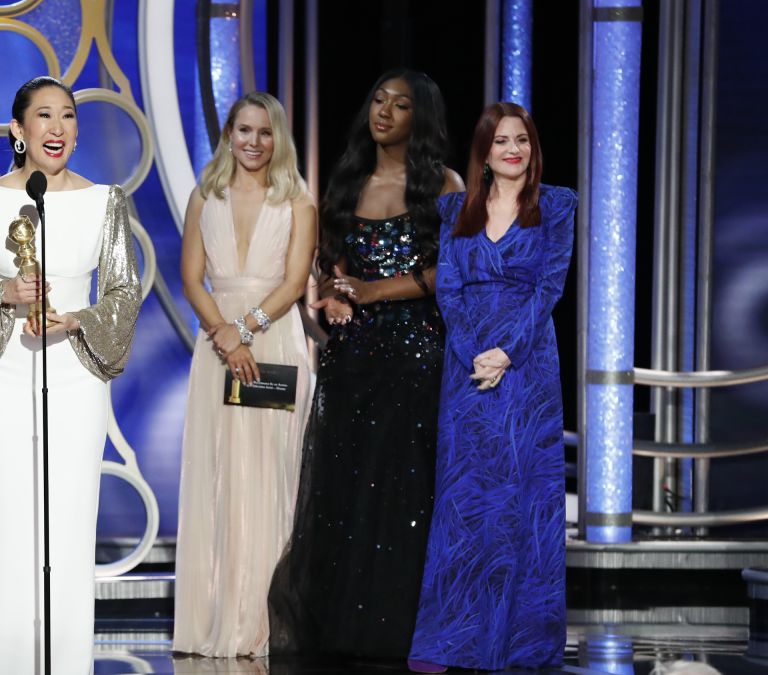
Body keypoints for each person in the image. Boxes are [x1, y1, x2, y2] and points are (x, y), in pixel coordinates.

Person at [0, 76, 141, 674]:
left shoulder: (106, 200)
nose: (58, 128)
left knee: (70, 528)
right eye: (44, 116)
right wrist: (4, 291)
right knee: (9, 529)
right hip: (5, 377)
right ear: (17, 131)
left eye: (69, 116)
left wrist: (76, 320)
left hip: (77, 380)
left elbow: (126, 292)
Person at [267, 69, 463, 663]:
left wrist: (372, 293)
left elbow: (446, 272)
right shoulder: (350, 180)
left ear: (419, 119)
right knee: (346, 490)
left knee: (405, 494)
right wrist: (330, 294)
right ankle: (346, 625)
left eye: (400, 105)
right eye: (378, 99)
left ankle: (405, 627)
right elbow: (332, 267)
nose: (384, 112)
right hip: (353, 357)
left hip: (417, 355)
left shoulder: (445, 185)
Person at [407, 102, 576, 672]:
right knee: (466, 500)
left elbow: (550, 288)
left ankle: (520, 643)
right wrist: (474, 352)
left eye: (522, 140)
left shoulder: (555, 205)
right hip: (467, 366)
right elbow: (448, 289)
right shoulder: (455, 208)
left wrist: (507, 352)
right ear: (484, 151)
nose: (513, 149)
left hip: (527, 368)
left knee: (522, 501)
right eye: (501, 140)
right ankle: (453, 639)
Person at [173, 91, 316, 658]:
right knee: (220, 476)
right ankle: (215, 618)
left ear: (277, 138)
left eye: (265, 132)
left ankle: (265, 622)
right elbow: (190, 278)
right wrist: (224, 335)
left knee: (270, 477)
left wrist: (246, 329)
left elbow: (295, 280)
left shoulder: (297, 200)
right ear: (228, 133)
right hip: (218, 351)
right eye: (244, 130)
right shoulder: (204, 195)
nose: (254, 142)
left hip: (274, 342)